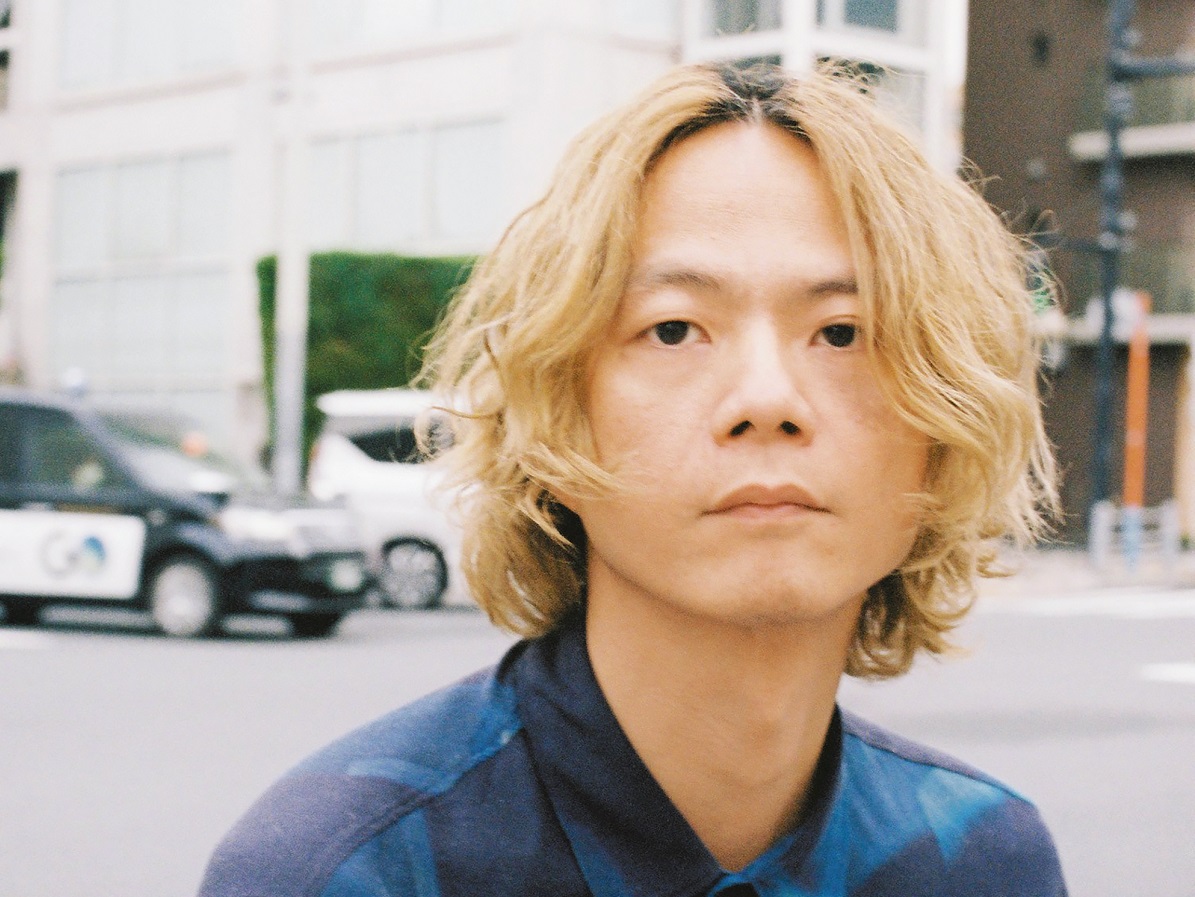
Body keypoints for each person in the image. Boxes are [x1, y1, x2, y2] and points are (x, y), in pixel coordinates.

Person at [199, 63, 1066, 897]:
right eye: (674, 328)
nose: (767, 400)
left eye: (843, 333)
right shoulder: (345, 871)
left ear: (942, 430)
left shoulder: (982, 863)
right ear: (552, 413)